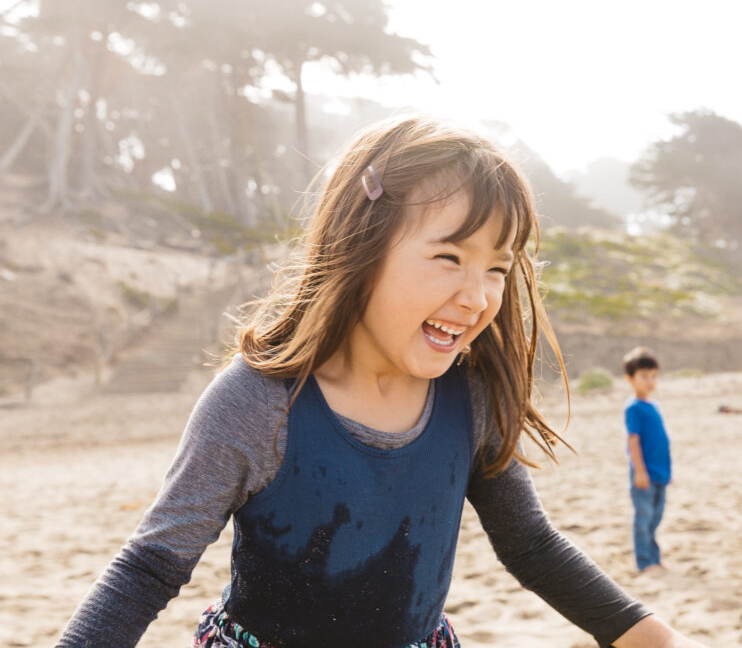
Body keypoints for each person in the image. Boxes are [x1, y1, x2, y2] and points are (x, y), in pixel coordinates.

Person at [58, 116, 706, 647]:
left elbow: (531, 544)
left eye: (497, 268)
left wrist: (645, 632)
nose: (478, 296)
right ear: (361, 248)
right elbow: (148, 567)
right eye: (449, 257)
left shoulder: (469, 398)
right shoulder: (260, 403)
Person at [622, 347, 672, 574]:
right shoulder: (633, 407)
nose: (650, 381)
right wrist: (640, 471)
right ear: (630, 379)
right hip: (644, 472)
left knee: (656, 517)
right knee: (643, 517)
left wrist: (667, 471)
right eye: (644, 376)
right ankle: (644, 561)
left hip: (660, 471)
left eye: (653, 376)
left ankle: (654, 556)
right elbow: (634, 441)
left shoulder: (655, 405)